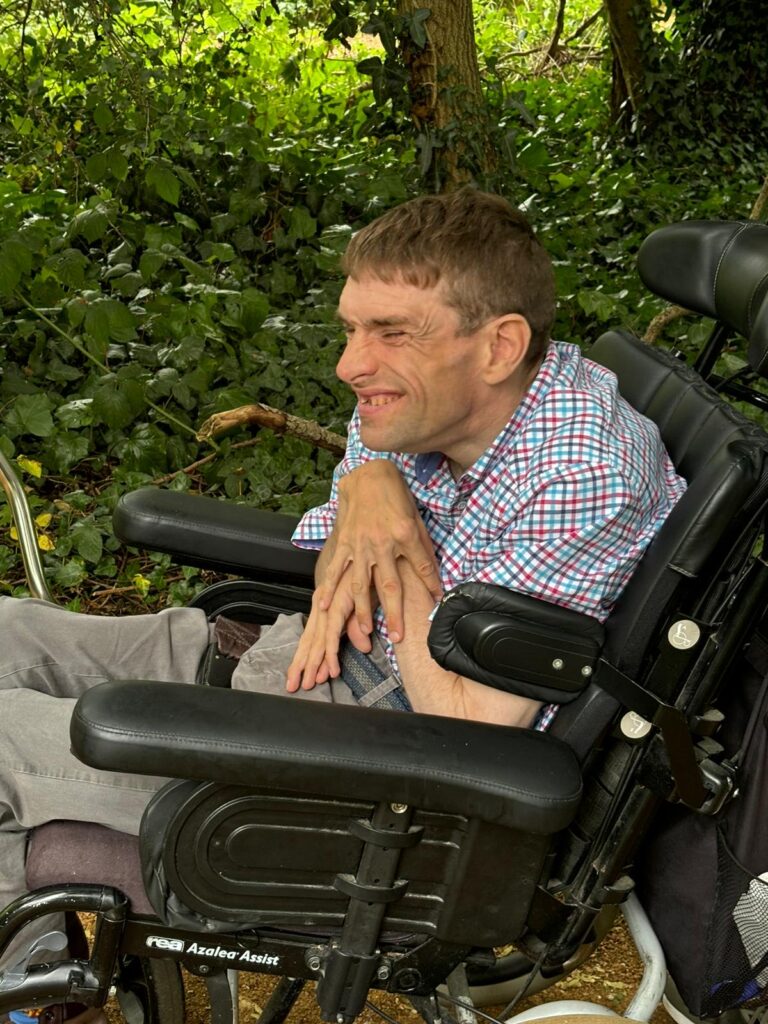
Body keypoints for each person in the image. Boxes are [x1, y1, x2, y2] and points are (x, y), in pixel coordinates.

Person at [0, 189, 686, 1022]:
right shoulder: (497, 385)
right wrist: (372, 480)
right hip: (304, 663)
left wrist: (395, 544)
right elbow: (368, 444)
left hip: (366, 772)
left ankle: (25, 992)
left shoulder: (581, 474)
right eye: (353, 328)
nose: (350, 364)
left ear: (501, 343)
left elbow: (465, 728)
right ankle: (33, 967)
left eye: (392, 332)